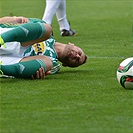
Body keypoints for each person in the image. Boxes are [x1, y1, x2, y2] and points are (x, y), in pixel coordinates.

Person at [0, 16, 87, 79]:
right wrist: (15, 19)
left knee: (48, 63)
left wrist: (33, 72)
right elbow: (3, 22)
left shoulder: (55, 66)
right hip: (9, 40)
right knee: (47, 29)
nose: (77, 56)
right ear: (72, 44)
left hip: (11, 59)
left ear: (66, 65)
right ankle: (2, 39)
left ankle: (2, 69)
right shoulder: (44, 30)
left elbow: (44, 71)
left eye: (77, 60)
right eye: (79, 53)